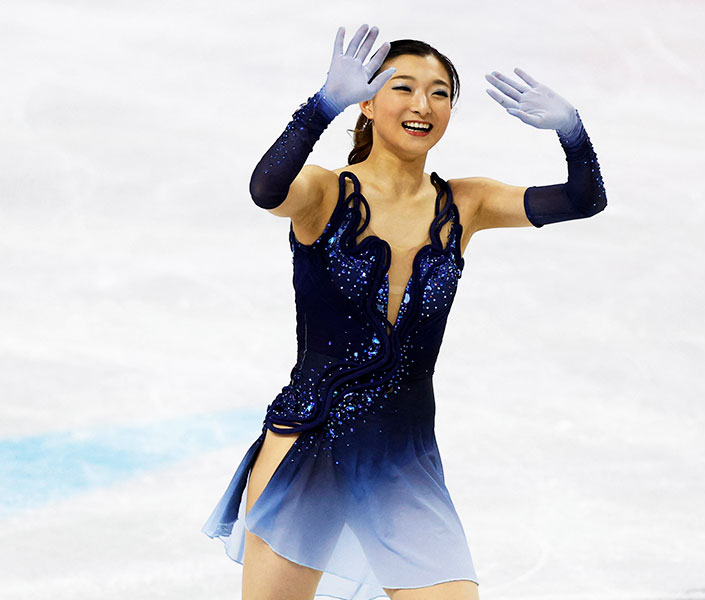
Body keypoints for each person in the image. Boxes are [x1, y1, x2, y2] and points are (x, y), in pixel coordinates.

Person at [202, 23, 606, 600]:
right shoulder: (323, 193)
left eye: (440, 92)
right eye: (403, 88)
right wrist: (318, 108)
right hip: (308, 443)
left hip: (403, 458)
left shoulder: (467, 203)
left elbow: (582, 200)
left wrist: (573, 131)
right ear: (366, 101)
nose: (423, 105)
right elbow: (267, 189)